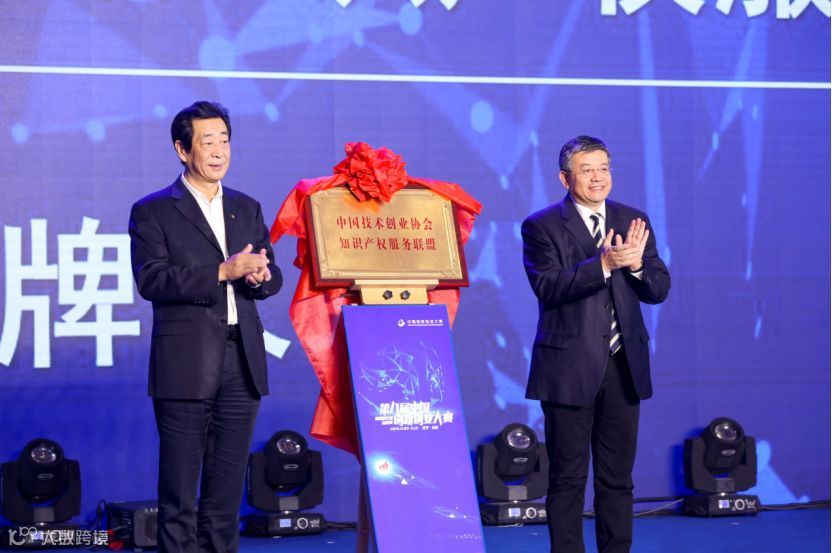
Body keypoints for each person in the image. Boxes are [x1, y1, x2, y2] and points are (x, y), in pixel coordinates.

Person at [129, 101, 282, 553]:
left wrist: (260, 276)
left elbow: (271, 274)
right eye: (207, 141)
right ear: (182, 149)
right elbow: (152, 279)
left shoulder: (247, 207)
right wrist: (222, 271)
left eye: (225, 140)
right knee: (179, 495)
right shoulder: (153, 210)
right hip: (185, 364)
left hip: (242, 361)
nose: (219, 151)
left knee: (225, 498)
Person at [521, 135, 670, 553]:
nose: (598, 177)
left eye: (604, 168)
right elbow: (548, 287)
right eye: (587, 170)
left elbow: (658, 289)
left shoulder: (632, 220)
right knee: (567, 479)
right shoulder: (541, 226)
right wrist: (602, 264)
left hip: (624, 367)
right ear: (565, 178)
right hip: (569, 368)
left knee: (618, 479)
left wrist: (636, 265)